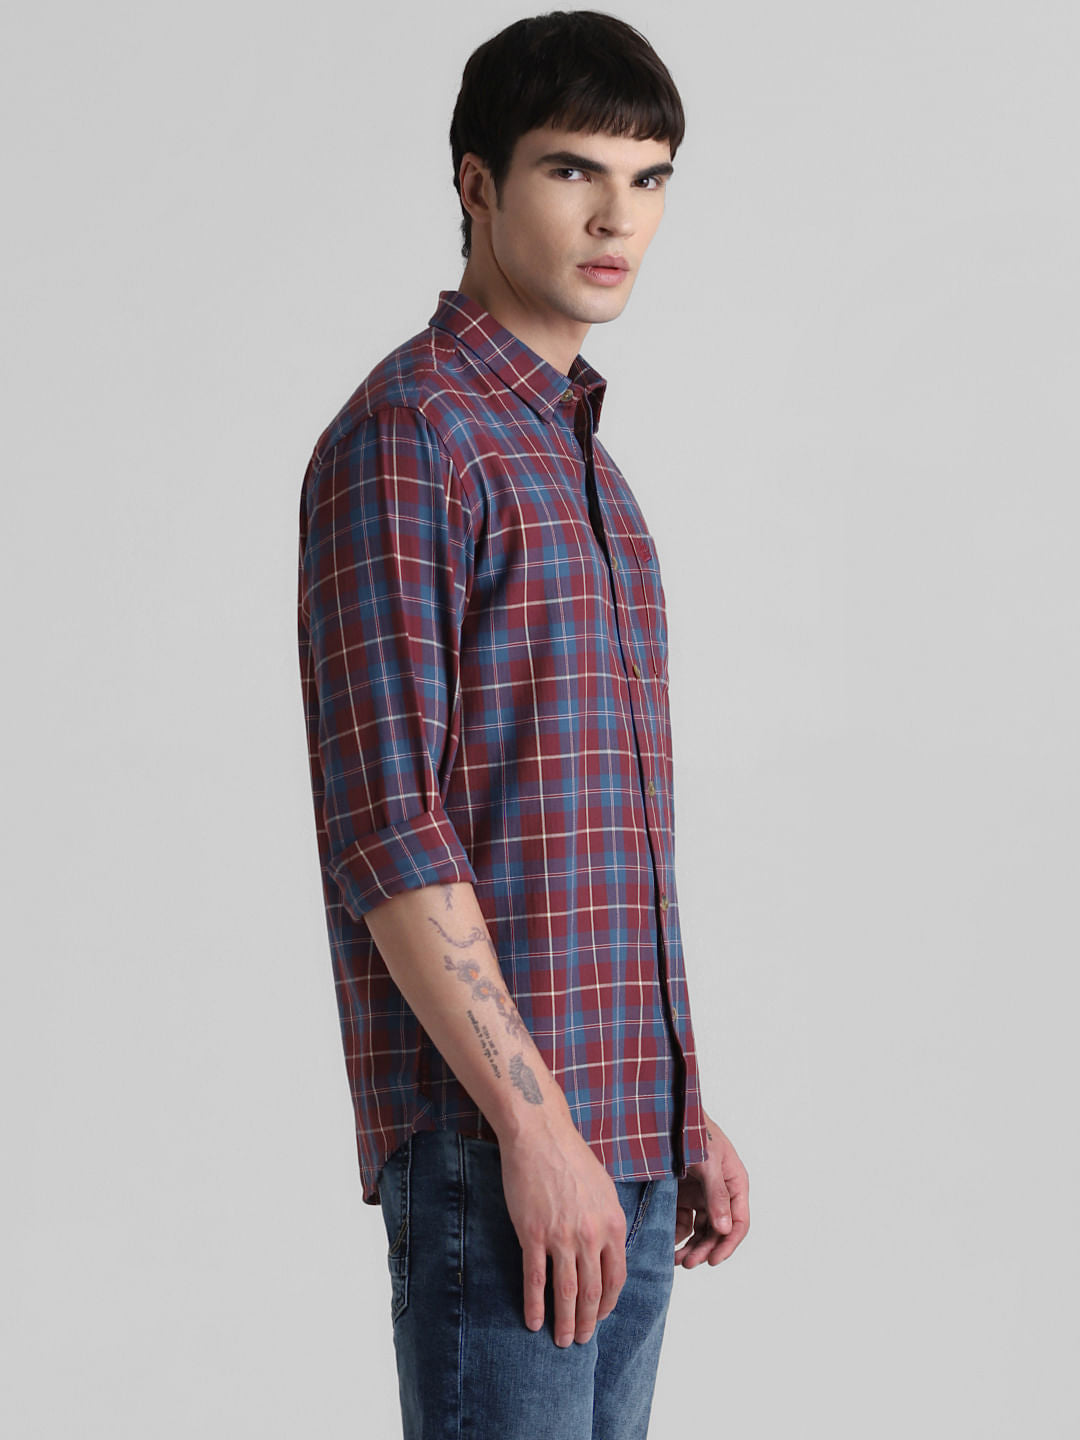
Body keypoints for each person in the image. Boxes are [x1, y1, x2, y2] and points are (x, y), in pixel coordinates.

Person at [296, 11, 749, 1437]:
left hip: (624, 1139)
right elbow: (393, 831)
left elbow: (588, 833)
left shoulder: (589, 472)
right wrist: (536, 1129)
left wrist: (679, 1105)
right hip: (502, 1151)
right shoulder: (412, 436)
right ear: (478, 184)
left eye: (650, 178)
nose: (620, 218)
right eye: (573, 172)